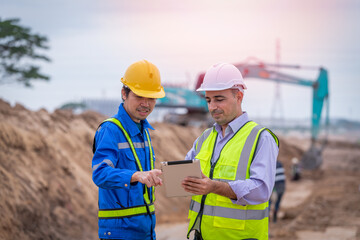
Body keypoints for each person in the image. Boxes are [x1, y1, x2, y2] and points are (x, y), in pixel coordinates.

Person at [181, 63, 279, 240]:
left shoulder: (260, 138)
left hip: (241, 237)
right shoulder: (205, 137)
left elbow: (261, 190)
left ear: (239, 96)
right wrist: (163, 174)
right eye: (208, 100)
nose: (212, 107)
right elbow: (184, 171)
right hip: (202, 235)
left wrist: (215, 187)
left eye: (219, 99)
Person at [92, 60, 165, 240]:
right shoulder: (111, 130)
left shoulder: (143, 131)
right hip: (119, 232)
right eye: (139, 96)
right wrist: (135, 175)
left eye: (151, 98)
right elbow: (100, 174)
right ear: (124, 93)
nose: (145, 104)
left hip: (145, 231)